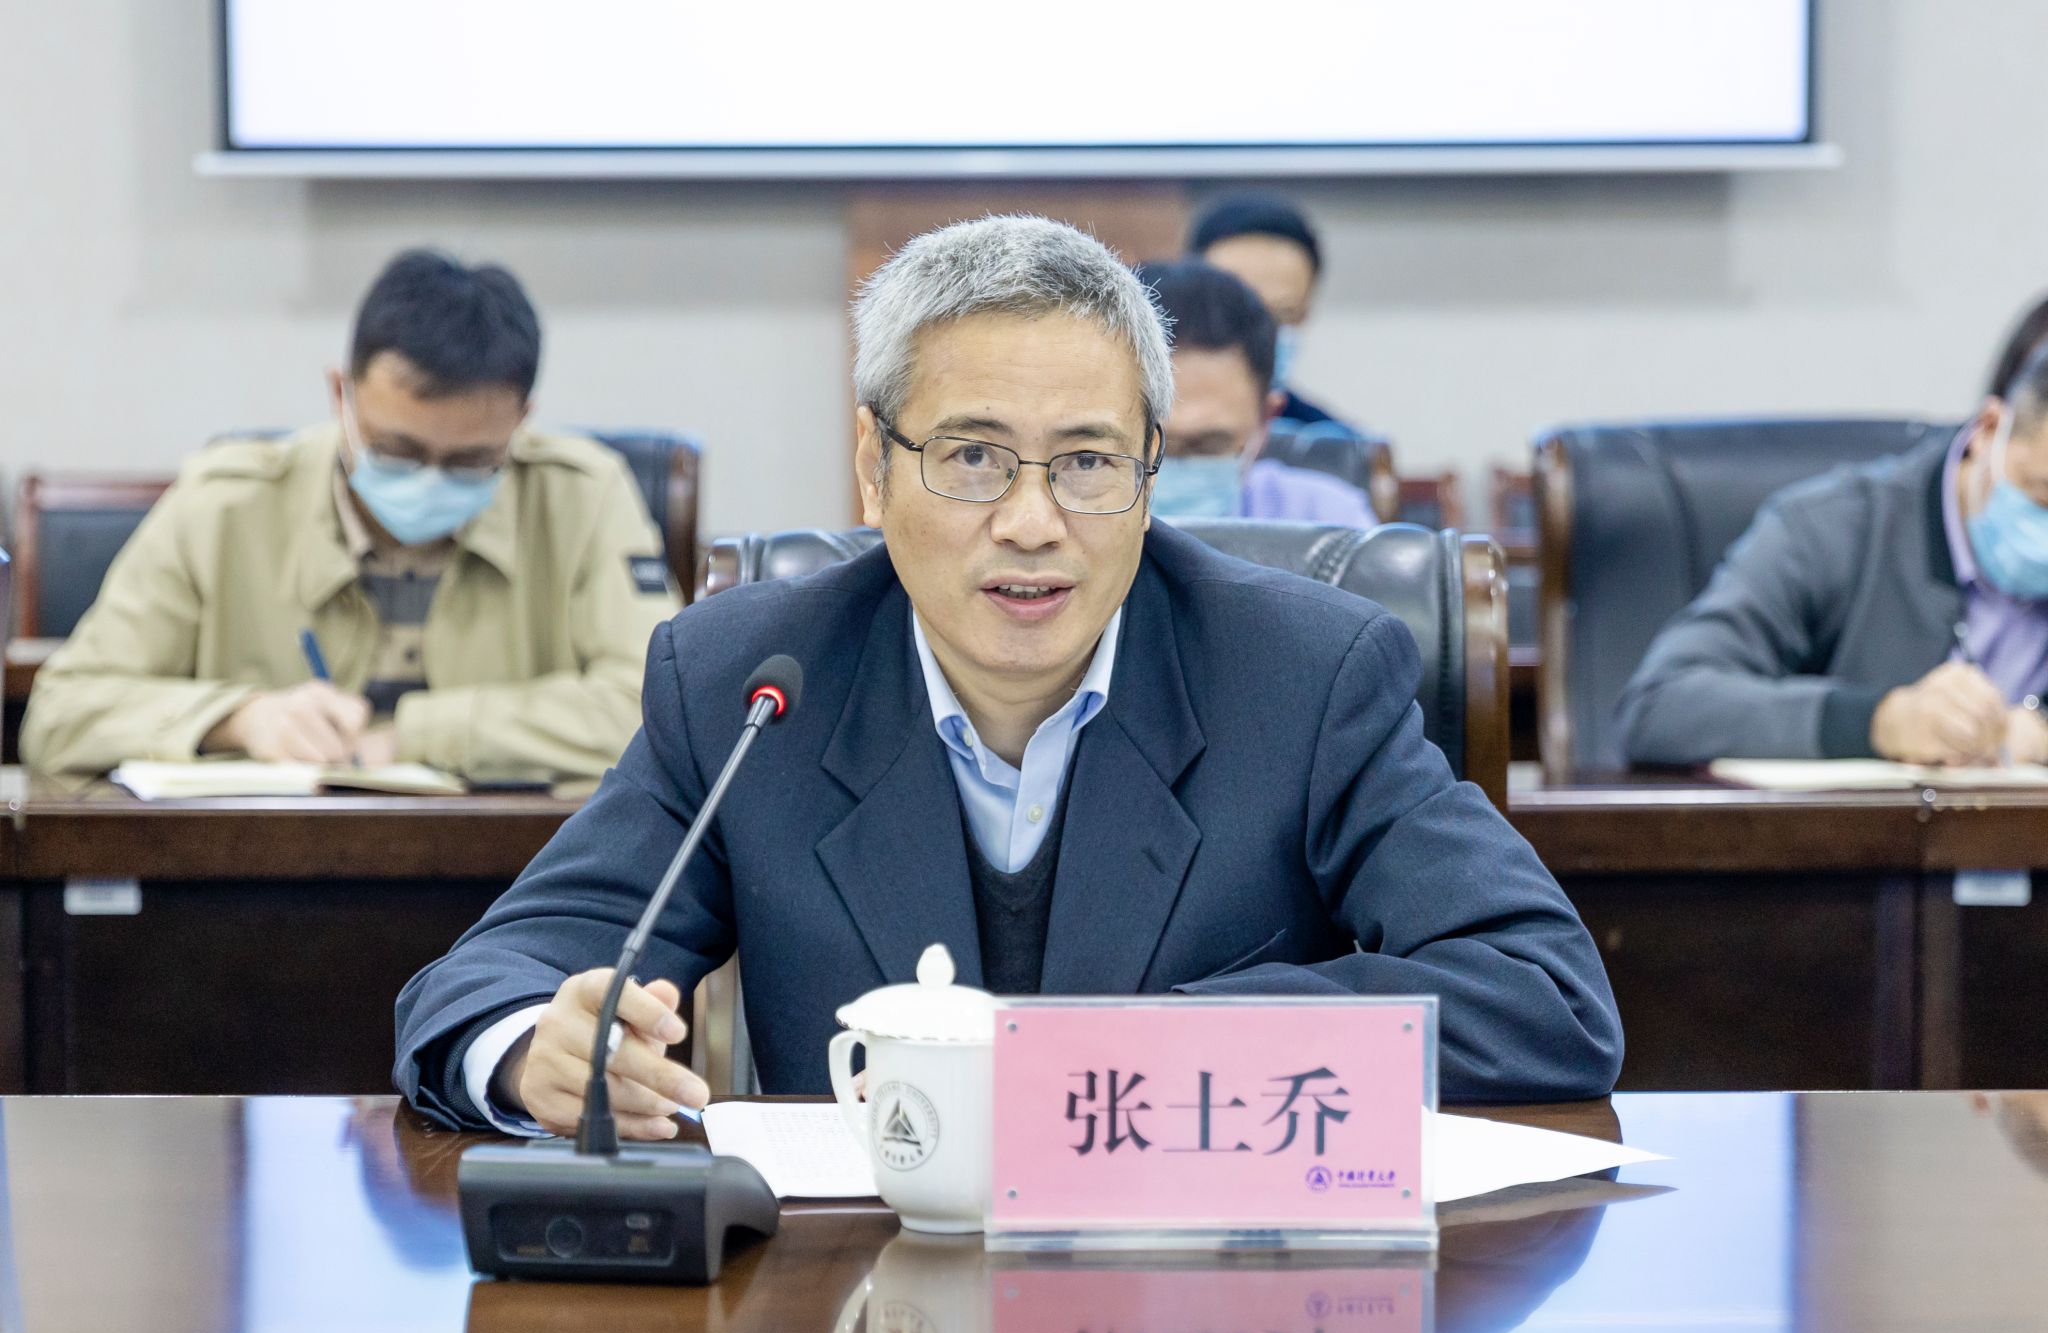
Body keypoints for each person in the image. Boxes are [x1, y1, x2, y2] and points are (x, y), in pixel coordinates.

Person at [394, 215, 1621, 1137]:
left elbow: (1542, 997)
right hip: (852, 1299)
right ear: (873, 466)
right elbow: (486, 982)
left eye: (1087, 462)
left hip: (1191, 1291)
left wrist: (1147, 1053)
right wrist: (533, 1052)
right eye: (973, 457)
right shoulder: (749, 686)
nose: (1032, 523)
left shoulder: (1301, 678)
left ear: (1148, 471)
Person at [21, 249, 680, 784]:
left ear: (520, 422)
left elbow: (660, 712)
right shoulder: (225, 503)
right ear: (341, 394)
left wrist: (419, 734)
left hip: (510, 874)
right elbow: (61, 713)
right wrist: (238, 718)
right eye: (398, 451)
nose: (429, 481)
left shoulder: (582, 496)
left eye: (470, 461)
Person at [1617, 336, 2048, 767]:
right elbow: (1659, 706)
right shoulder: (1833, 528)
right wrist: (1881, 722)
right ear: (1989, 430)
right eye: (2042, 496)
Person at [1138, 259, 1376, 526]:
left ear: (1267, 417)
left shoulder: (1328, 521)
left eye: (1208, 446)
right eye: (1148, 445)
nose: (1166, 469)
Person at [1188, 193, 1356, 431]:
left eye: (1282, 314)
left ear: (1304, 313)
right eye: (1236, 311)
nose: (1260, 332)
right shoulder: (1142, 429)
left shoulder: (1334, 444)